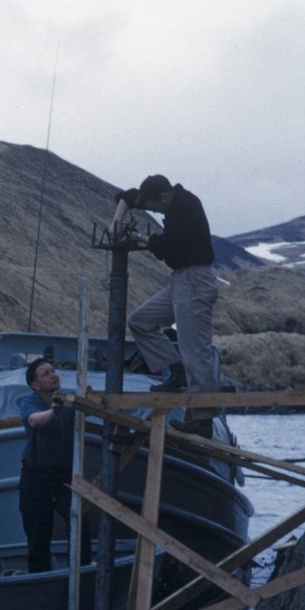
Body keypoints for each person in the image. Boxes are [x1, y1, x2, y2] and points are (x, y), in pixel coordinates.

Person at [109, 174, 224, 434]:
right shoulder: (171, 200)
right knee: (141, 321)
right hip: (180, 281)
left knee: (196, 351)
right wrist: (119, 215)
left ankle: (202, 420)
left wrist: (139, 237)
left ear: (163, 196)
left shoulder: (185, 208)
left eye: (154, 207)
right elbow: (128, 197)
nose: (154, 212)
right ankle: (176, 371)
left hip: (195, 281)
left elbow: (166, 249)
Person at [17, 356, 77, 574]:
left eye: (53, 370)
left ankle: (81, 573)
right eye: (46, 373)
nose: (53, 375)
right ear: (35, 385)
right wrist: (54, 410)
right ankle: (39, 580)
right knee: (38, 532)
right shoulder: (30, 402)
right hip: (36, 475)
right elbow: (33, 421)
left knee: (80, 526)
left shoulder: (70, 401)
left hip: (64, 476)